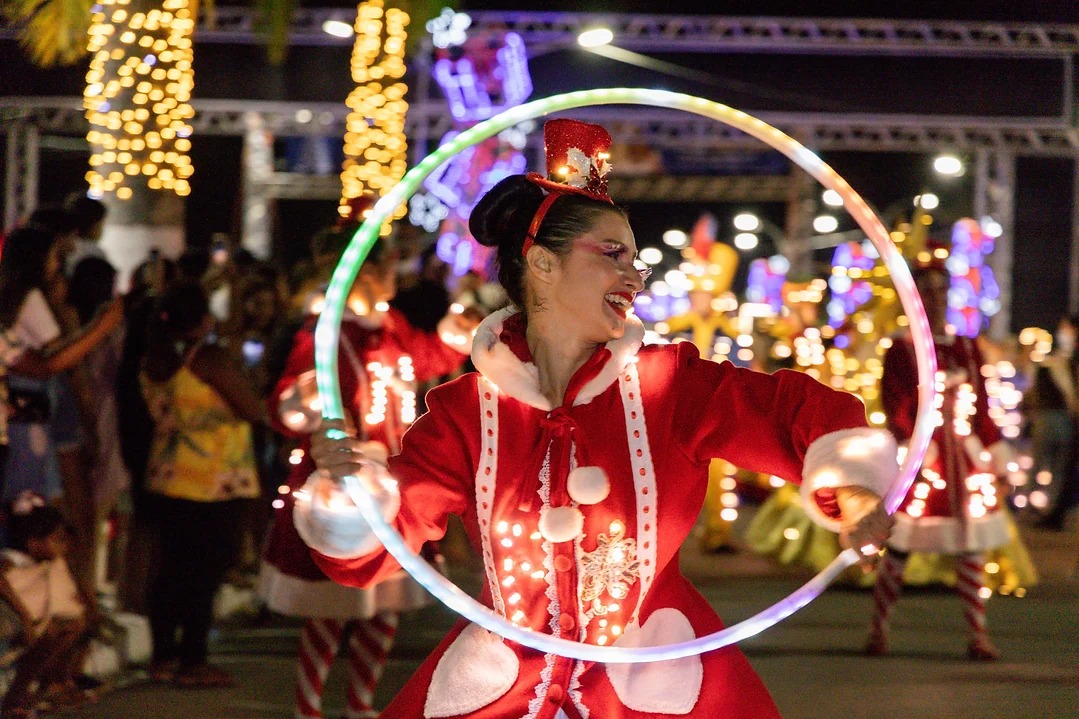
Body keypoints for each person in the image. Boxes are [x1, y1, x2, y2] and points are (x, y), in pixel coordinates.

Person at [298, 120, 897, 718]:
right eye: (613, 256)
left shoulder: (672, 387)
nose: (635, 277)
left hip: (657, 690)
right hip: (500, 692)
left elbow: (797, 413)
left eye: (636, 260)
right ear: (540, 263)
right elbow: (383, 538)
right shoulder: (466, 412)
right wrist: (347, 497)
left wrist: (856, 491)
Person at [259, 231, 475, 719]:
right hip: (343, 487)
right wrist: (303, 402)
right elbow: (285, 402)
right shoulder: (323, 332)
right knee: (331, 610)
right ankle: (308, 707)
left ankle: (360, 704)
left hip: (393, 484)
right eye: (389, 268)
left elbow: (429, 358)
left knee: (386, 607)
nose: (397, 277)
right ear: (365, 274)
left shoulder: (391, 324)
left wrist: (455, 336)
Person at [867, 255, 1014, 660]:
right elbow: (896, 409)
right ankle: (879, 629)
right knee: (899, 545)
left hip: (964, 464)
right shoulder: (901, 350)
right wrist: (914, 452)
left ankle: (978, 635)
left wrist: (998, 460)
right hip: (923, 462)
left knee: (971, 548)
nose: (934, 299)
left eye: (940, 291)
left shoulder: (965, 348)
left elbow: (982, 407)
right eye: (925, 291)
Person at [140, 281, 266, 687]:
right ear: (203, 319)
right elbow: (250, 408)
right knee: (204, 572)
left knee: (170, 569)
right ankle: (193, 660)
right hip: (214, 481)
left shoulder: (153, 359)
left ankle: (162, 657)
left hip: (167, 476)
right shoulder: (209, 359)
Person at [0, 494, 95, 718]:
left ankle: (45, 686)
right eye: (57, 540)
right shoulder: (14, 559)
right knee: (54, 632)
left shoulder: (44, 563)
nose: (62, 547)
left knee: (73, 626)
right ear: (34, 543)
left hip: (30, 622)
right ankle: (19, 694)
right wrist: (24, 617)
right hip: (15, 620)